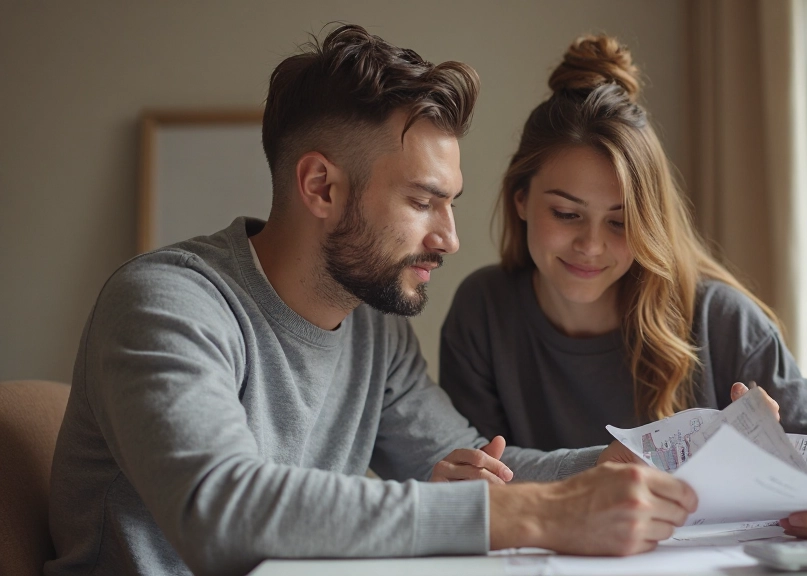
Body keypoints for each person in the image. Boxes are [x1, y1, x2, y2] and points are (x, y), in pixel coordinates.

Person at [45, 25, 700, 576]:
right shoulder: (167, 304)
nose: (448, 237)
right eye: (422, 201)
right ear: (322, 188)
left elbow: (480, 465)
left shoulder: (373, 330)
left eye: (450, 204)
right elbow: (220, 511)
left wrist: (645, 454)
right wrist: (535, 515)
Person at [439, 34, 807, 540]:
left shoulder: (716, 317)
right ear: (520, 200)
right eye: (567, 214)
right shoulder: (483, 310)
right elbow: (474, 468)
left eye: (620, 221)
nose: (591, 246)